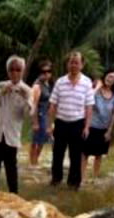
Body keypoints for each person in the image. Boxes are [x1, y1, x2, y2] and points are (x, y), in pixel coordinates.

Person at [46, 51, 94, 190]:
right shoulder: (60, 82)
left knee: (75, 155)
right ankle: (56, 179)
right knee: (58, 153)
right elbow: (53, 104)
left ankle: (74, 183)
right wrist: (50, 125)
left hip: (77, 123)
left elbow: (89, 106)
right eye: (71, 62)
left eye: (76, 62)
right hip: (61, 122)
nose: (73, 65)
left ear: (82, 65)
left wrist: (87, 127)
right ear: (68, 64)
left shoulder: (87, 82)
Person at [0, 55, 33, 194]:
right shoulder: (1, 85)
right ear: (8, 71)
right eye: (11, 69)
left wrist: (25, 99)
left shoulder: (27, 90)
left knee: (11, 168)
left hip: (12, 135)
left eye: (18, 70)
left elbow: (27, 115)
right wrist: (2, 92)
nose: (14, 73)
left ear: (22, 71)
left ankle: (14, 195)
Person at [81, 68, 114, 184]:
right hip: (91, 125)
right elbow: (87, 101)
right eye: (108, 76)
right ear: (104, 77)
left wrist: (109, 130)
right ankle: (81, 177)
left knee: (99, 154)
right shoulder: (95, 90)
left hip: (104, 128)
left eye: (113, 77)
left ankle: (95, 177)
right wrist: (97, 87)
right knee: (85, 153)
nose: (110, 79)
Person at [30, 60, 54, 167]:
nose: (46, 73)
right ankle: (33, 163)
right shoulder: (37, 85)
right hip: (39, 115)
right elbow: (34, 105)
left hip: (46, 115)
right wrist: (35, 122)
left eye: (49, 71)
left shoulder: (48, 84)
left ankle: (35, 161)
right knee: (36, 141)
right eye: (43, 71)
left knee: (42, 140)